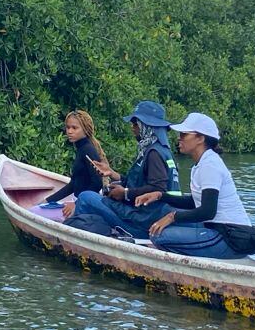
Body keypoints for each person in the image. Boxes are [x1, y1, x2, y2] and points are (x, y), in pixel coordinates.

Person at [133, 113, 255, 259]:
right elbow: (195, 202)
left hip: (230, 237)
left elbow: (208, 212)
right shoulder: (202, 163)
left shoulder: (210, 165)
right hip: (219, 231)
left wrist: (172, 217)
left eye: (184, 134)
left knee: (159, 236)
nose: (179, 138)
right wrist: (160, 196)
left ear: (200, 139)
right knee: (164, 223)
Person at [63, 100, 181, 238]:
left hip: (141, 222)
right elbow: (139, 182)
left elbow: (158, 188)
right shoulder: (162, 150)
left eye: (136, 124)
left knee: (86, 197)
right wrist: (112, 174)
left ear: (147, 126)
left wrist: (125, 193)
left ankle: (77, 238)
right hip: (146, 216)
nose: (133, 128)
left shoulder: (153, 153)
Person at [37, 111, 105, 209]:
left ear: (85, 130)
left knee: (34, 211)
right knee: (40, 207)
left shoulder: (87, 150)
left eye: (74, 128)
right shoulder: (81, 149)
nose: (69, 131)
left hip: (85, 206)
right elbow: (73, 184)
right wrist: (48, 200)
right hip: (79, 202)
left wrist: (76, 204)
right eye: (68, 127)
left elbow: (97, 183)